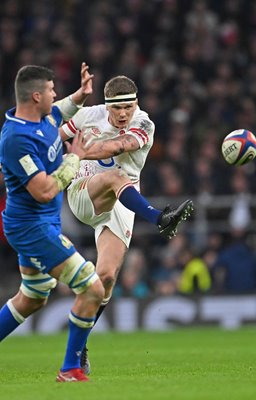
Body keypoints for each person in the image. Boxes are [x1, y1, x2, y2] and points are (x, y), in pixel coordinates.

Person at [60, 74, 194, 374]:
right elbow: (56, 134)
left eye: (128, 107)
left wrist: (81, 151)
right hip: (85, 192)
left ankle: (78, 349)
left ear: (137, 103)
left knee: (104, 278)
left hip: (122, 203)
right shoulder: (87, 116)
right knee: (115, 176)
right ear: (106, 105)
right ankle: (160, 219)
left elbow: (120, 146)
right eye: (116, 108)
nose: (123, 114)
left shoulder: (144, 123)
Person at [0, 62, 105, 383]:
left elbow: (61, 109)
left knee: (33, 296)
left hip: (40, 225)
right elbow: (44, 191)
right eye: (50, 89)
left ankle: (70, 368)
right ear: (35, 95)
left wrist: (82, 94)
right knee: (92, 288)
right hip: (32, 227)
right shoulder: (16, 139)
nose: (55, 94)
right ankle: (71, 369)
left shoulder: (43, 118)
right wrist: (75, 157)